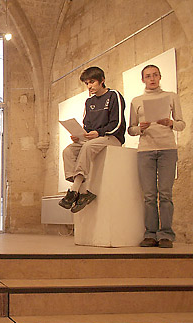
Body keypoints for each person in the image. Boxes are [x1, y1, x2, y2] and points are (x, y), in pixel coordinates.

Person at [128, 65, 186, 248]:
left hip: (167, 149)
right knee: (149, 195)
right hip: (145, 150)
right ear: (142, 79)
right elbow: (131, 129)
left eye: (154, 75)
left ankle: (166, 234)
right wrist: (140, 129)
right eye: (148, 76)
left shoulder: (170, 96)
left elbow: (181, 124)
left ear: (160, 76)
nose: (152, 79)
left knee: (166, 193)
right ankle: (150, 233)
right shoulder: (137, 101)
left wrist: (171, 123)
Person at [59, 66, 126, 213]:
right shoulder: (89, 102)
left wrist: (99, 133)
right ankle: (83, 192)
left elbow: (118, 123)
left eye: (92, 82)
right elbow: (87, 126)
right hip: (93, 138)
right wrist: (79, 136)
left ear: (102, 80)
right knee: (68, 151)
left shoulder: (114, 95)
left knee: (88, 147)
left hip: (112, 137)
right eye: (87, 83)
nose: (90, 86)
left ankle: (74, 191)